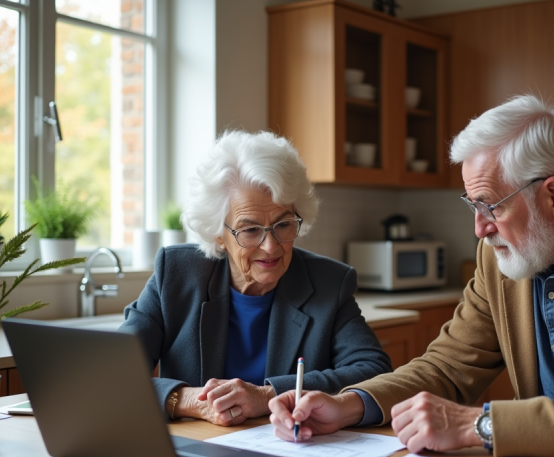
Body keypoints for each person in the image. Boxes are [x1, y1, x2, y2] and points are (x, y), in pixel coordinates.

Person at [268, 95, 554, 457]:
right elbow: (447, 367)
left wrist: (477, 425)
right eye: (473, 206)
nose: (479, 227)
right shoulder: (503, 258)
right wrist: (350, 404)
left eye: (490, 205)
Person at [119, 130, 392, 426]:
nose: (271, 246)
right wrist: (185, 400)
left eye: (283, 224)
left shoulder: (329, 283)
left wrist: (267, 395)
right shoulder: (176, 274)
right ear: (218, 235)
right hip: (196, 448)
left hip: (288, 448)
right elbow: (112, 371)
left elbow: (374, 370)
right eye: (249, 230)